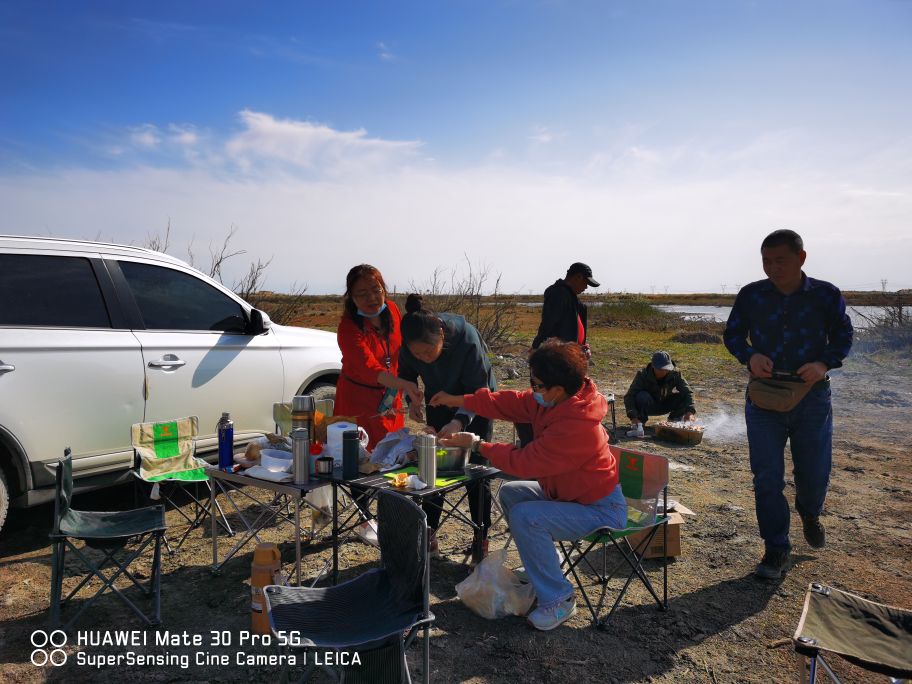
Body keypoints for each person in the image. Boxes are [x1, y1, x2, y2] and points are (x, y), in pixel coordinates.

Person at [433, 339, 624, 631]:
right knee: (512, 493)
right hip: (568, 496)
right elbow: (508, 402)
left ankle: (559, 599)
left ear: (557, 389)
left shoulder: (577, 425)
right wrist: (459, 400)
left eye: (536, 384)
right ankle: (546, 562)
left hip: (600, 508)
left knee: (527, 516)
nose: (532, 389)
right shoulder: (554, 401)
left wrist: (478, 445)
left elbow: (526, 462)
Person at [724, 229, 853, 579]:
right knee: (766, 478)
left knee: (813, 473)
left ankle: (810, 513)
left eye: (780, 260)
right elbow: (733, 335)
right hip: (764, 395)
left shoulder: (825, 294)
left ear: (801, 258)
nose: (772, 268)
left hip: (812, 396)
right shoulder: (751, 295)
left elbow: (843, 335)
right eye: (766, 261)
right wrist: (750, 356)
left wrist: (823, 363)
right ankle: (776, 548)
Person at [398, 294, 497, 557]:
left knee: (476, 471)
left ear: (441, 335)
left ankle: (481, 537)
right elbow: (406, 376)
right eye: (418, 354)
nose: (424, 358)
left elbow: (479, 390)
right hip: (439, 400)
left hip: (477, 402)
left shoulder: (466, 339)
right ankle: (428, 533)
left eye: (428, 352)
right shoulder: (409, 345)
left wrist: (459, 421)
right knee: (433, 465)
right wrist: (412, 400)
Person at [335, 264, 422, 546]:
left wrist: (407, 389)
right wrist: (403, 384)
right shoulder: (348, 328)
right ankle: (363, 518)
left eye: (376, 290)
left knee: (393, 453)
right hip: (357, 399)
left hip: (389, 397)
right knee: (359, 458)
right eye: (362, 294)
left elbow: (403, 353)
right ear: (351, 297)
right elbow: (368, 367)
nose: (372, 298)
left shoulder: (393, 311)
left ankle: (392, 514)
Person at [516, 262, 600, 446]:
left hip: (568, 358)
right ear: (577, 277)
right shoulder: (559, 293)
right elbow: (548, 324)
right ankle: (536, 443)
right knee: (548, 399)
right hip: (555, 360)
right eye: (585, 283)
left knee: (564, 401)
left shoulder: (573, 298)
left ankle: (556, 441)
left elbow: (573, 328)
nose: (586, 287)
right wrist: (537, 349)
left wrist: (582, 347)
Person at [623, 351, 696, 437]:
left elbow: (688, 392)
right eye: (661, 369)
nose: (664, 372)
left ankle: (673, 422)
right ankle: (639, 424)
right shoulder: (643, 374)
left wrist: (690, 412)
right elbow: (629, 396)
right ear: (653, 366)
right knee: (642, 396)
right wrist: (633, 417)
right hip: (649, 405)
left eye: (666, 369)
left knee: (682, 396)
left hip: (665, 403)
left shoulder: (675, 374)